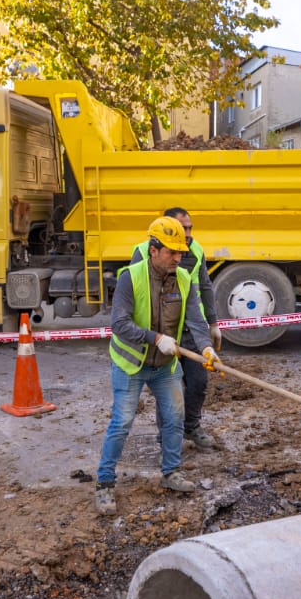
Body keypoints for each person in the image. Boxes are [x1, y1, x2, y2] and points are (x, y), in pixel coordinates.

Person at [95, 215, 216, 516]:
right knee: (122, 422)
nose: (178, 258)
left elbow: (196, 319)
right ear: (153, 250)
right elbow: (119, 324)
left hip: (165, 365)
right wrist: (155, 338)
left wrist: (206, 347)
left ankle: (171, 473)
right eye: (171, 252)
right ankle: (105, 483)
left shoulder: (183, 278)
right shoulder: (130, 277)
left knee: (175, 418)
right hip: (131, 364)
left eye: (180, 252)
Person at [128, 207, 222, 452]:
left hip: (190, 329)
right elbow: (140, 295)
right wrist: (155, 337)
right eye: (183, 228)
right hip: (164, 331)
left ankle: (191, 426)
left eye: (190, 228)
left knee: (199, 382)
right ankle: (167, 437)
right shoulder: (143, 252)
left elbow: (205, 287)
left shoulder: (196, 250)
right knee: (169, 388)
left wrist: (212, 326)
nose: (188, 234)